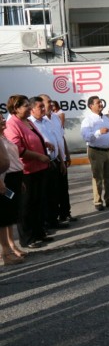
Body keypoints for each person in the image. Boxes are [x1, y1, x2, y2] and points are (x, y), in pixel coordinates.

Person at [4, 95, 53, 249]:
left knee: (38, 202)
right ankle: (27, 238)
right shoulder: (12, 123)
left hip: (39, 168)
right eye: (25, 105)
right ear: (16, 108)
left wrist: (44, 143)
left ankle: (39, 232)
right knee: (27, 205)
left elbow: (34, 138)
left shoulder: (28, 121)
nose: (28, 108)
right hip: (27, 170)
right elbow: (16, 148)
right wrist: (39, 155)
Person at [28, 96, 69, 232]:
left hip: (54, 161)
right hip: (41, 163)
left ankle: (53, 220)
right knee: (43, 196)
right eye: (41, 106)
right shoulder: (30, 124)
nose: (45, 108)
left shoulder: (46, 121)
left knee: (53, 194)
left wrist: (61, 160)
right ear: (32, 109)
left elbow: (57, 140)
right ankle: (44, 224)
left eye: (44, 106)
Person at [41, 94, 77, 224]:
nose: (51, 104)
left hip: (60, 157)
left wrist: (66, 155)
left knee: (63, 188)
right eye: (48, 102)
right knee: (53, 191)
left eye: (51, 102)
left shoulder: (56, 118)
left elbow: (61, 138)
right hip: (50, 161)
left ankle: (65, 213)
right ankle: (53, 218)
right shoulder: (40, 121)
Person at [81, 96, 109, 211]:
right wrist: (99, 132)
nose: (101, 104)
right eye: (98, 103)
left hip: (108, 150)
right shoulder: (87, 120)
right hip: (95, 151)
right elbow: (86, 137)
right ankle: (98, 201)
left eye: (101, 102)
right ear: (91, 106)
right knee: (97, 177)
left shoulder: (106, 119)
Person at [0, 113, 27, 264]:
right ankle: (6, 252)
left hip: (12, 179)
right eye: (0, 119)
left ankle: (11, 246)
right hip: (4, 180)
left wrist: (20, 180)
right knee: (3, 217)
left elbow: (13, 160)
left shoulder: (4, 138)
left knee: (9, 215)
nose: (3, 120)